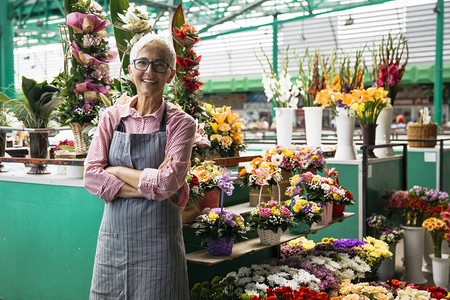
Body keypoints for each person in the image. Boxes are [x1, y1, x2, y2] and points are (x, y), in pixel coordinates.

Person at [83, 34, 196, 299]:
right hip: (115, 241)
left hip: (160, 243)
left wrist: (115, 171)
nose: (149, 71)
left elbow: (169, 184)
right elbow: (90, 176)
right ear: (131, 68)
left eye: (159, 65)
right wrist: (155, 186)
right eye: (142, 63)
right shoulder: (111, 117)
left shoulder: (182, 124)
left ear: (171, 74)